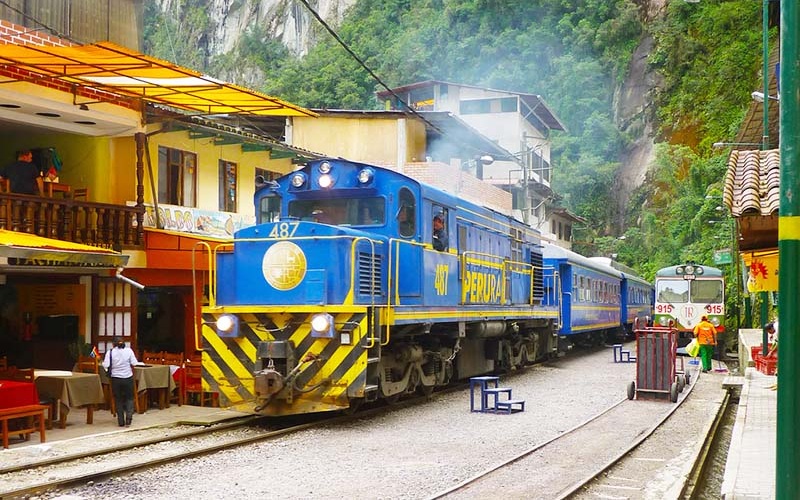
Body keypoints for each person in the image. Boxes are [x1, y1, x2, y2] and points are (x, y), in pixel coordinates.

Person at [103, 337, 139, 427]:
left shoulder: (110, 352)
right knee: (129, 398)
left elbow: (106, 365)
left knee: (118, 399)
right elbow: (134, 363)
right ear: (123, 343)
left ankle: (120, 421)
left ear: (113, 344)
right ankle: (129, 418)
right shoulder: (129, 351)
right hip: (128, 377)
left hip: (116, 378)